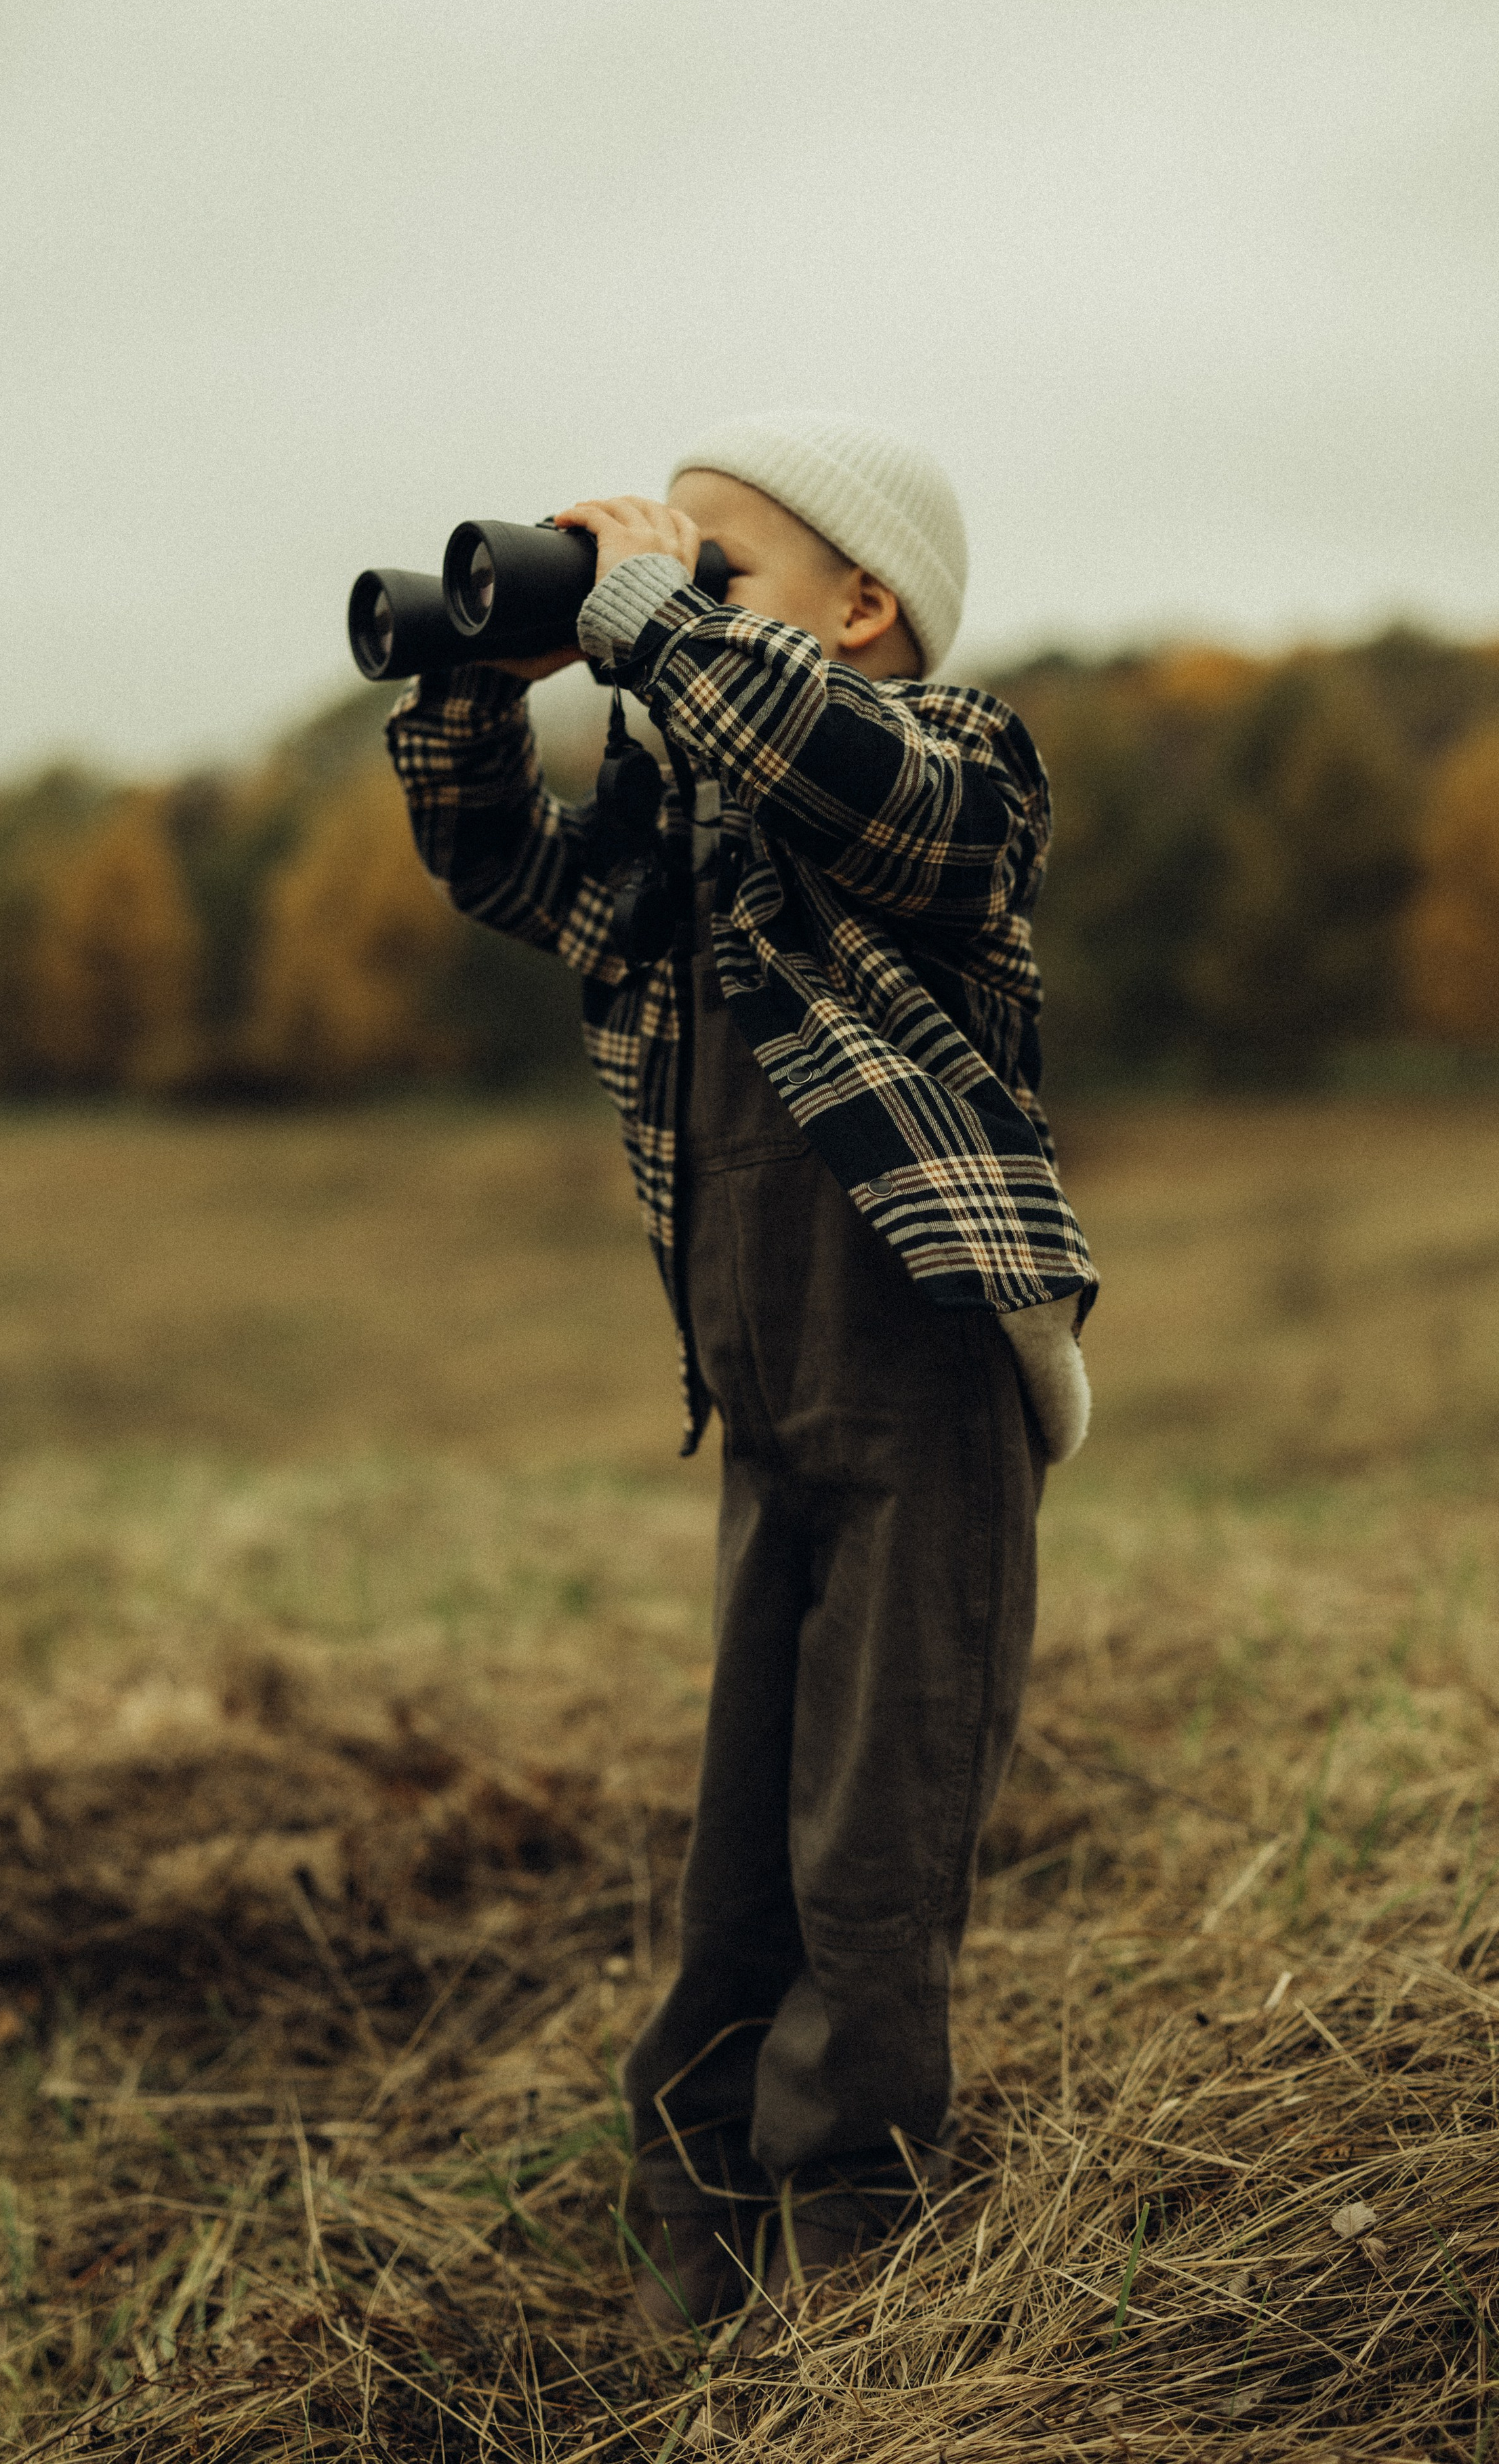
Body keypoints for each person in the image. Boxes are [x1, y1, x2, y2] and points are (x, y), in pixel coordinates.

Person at [384, 412, 1096, 2338]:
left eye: (715, 575)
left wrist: (646, 623)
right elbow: (499, 867)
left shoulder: (954, 767)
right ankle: (697, 2253)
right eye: (656, 576)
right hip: (772, 1425)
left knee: (870, 1882)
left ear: (864, 609)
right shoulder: (689, 832)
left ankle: (844, 2289)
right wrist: (473, 680)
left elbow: (855, 787)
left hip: (929, 1405)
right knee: (739, 1883)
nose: (661, 610)